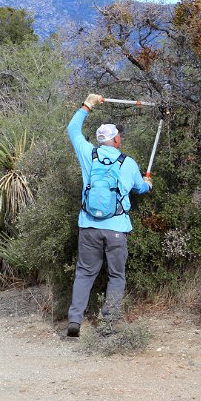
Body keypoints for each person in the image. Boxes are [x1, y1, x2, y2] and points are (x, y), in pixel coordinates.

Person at [66, 94, 152, 337]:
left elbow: (72, 129)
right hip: (117, 230)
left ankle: (75, 321)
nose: (120, 138)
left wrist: (86, 106)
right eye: (119, 135)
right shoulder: (129, 163)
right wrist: (148, 183)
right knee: (116, 276)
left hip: (89, 226)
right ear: (115, 139)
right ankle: (109, 324)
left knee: (84, 272)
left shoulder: (87, 154)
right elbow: (140, 189)